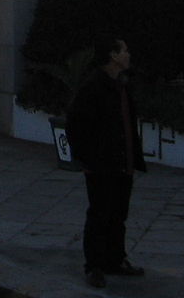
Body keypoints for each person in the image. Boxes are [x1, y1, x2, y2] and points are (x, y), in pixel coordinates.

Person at [66, 35, 147, 288]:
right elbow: (76, 126)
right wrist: (87, 159)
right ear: (113, 55)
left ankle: (115, 259)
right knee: (99, 214)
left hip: (123, 163)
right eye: (124, 50)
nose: (128, 55)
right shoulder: (93, 88)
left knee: (118, 214)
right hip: (101, 165)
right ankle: (95, 266)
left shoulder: (122, 85)